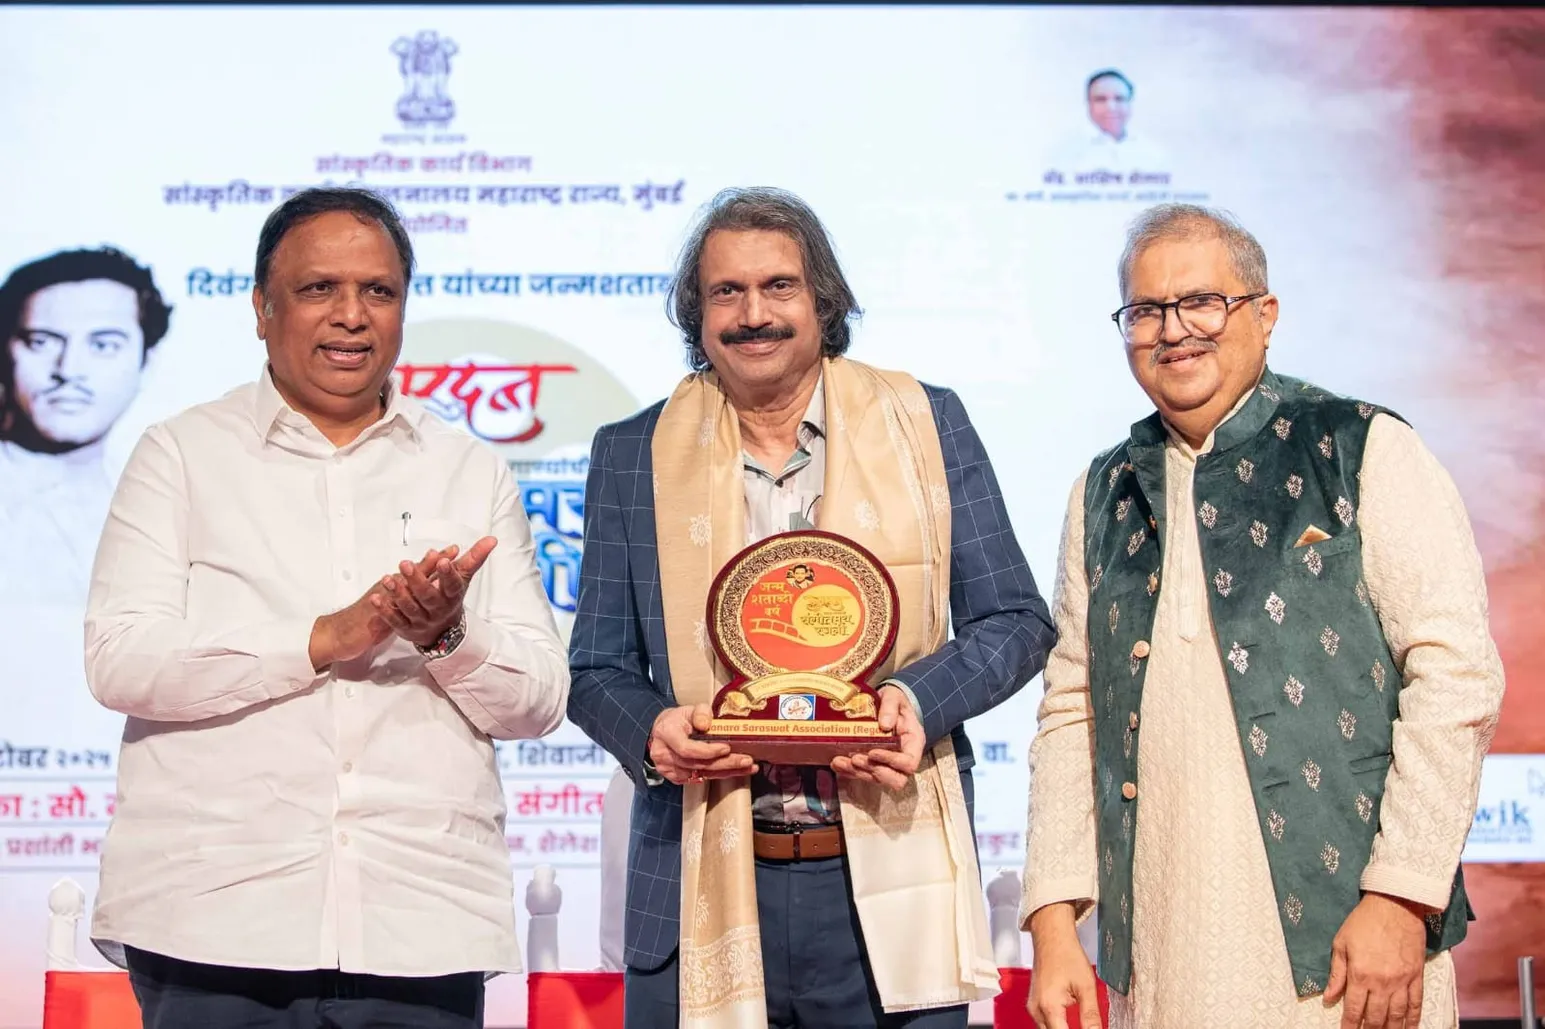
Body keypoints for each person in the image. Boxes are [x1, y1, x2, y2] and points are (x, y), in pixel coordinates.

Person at [567, 186, 1055, 1029]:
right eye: (726, 292)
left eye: (778, 287)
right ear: (697, 315)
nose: (753, 314)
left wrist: (907, 704)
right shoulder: (632, 452)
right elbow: (594, 668)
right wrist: (654, 731)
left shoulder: (924, 425)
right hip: (700, 877)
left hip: (883, 874)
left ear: (823, 303)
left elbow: (1014, 618)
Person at [84, 187, 571, 1028]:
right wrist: (323, 638)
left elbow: (538, 702)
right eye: (319, 290)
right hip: (213, 913)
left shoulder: (467, 469)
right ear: (262, 310)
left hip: (421, 916)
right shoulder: (182, 453)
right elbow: (120, 659)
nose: (351, 316)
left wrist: (444, 635)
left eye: (378, 291)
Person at [1021, 203, 1505, 1029]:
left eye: (1201, 302)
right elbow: (1072, 711)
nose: (1173, 331)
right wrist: (1054, 921)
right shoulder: (1101, 491)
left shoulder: (1357, 448)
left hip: (1349, 946)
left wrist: (1401, 894)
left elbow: (1454, 672)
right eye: (1145, 311)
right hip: (1166, 943)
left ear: (1263, 314)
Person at [0, 247, 171, 600]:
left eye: (103, 344)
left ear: (146, 361)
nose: (69, 369)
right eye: (41, 342)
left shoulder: (160, 498)